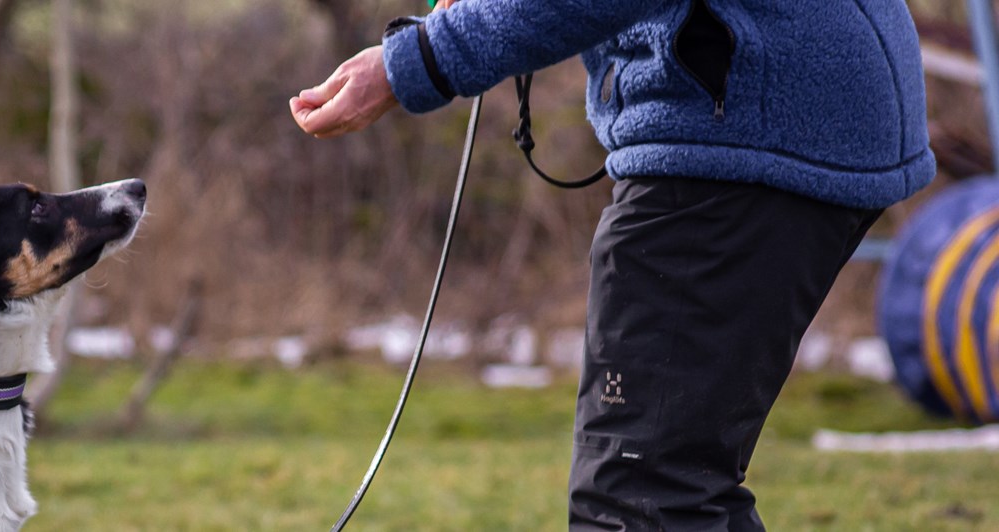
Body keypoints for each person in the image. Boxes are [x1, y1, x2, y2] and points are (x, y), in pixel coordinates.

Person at [290, 0, 934, 530]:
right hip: (796, 108)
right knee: (670, 487)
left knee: (641, 495)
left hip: (745, 126)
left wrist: (425, 58)